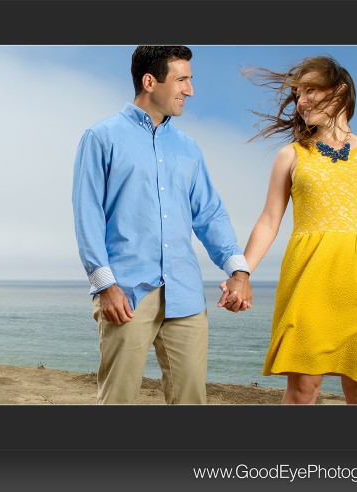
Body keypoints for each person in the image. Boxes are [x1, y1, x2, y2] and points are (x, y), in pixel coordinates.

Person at [72, 46, 253, 405]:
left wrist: (238, 270)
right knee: (117, 400)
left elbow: (209, 214)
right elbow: (87, 213)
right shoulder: (101, 137)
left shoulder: (188, 148)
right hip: (125, 294)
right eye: (182, 80)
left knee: (190, 400)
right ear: (150, 81)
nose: (190, 90)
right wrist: (104, 285)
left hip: (185, 294)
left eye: (190, 80)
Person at [236, 55, 357, 404]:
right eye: (298, 93)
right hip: (308, 280)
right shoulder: (291, 155)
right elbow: (269, 220)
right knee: (303, 389)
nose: (301, 101)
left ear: (340, 91)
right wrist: (242, 272)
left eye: (311, 91)